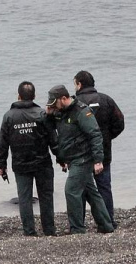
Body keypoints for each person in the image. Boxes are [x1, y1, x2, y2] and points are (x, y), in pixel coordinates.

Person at [46, 85, 114, 234]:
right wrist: (48, 114)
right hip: (72, 158)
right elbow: (50, 126)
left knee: (71, 191)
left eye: (54, 103)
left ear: (63, 99)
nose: (54, 106)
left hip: (82, 158)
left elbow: (95, 135)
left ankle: (77, 228)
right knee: (91, 193)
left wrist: (98, 160)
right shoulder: (61, 112)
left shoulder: (82, 111)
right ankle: (106, 225)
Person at [0, 81, 57, 236]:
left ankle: (29, 231)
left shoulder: (9, 116)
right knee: (46, 196)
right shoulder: (42, 114)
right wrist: (61, 157)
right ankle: (49, 230)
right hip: (42, 162)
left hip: (20, 164)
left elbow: (3, 143)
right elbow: (53, 139)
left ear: (18, 96)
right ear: (34, 96)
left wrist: (1, 164)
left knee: (24, 198)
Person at [73, 70, 124, 228]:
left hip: (80, 153)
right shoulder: (106, 100)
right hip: (103, 152)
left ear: (79, 84)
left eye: (74, 84)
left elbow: (67, 129)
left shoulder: (74, 103)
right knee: (104, 187)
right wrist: (107, 138)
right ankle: (108, 220)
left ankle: (79, 224)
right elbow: (119, 123)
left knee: (79, 189)